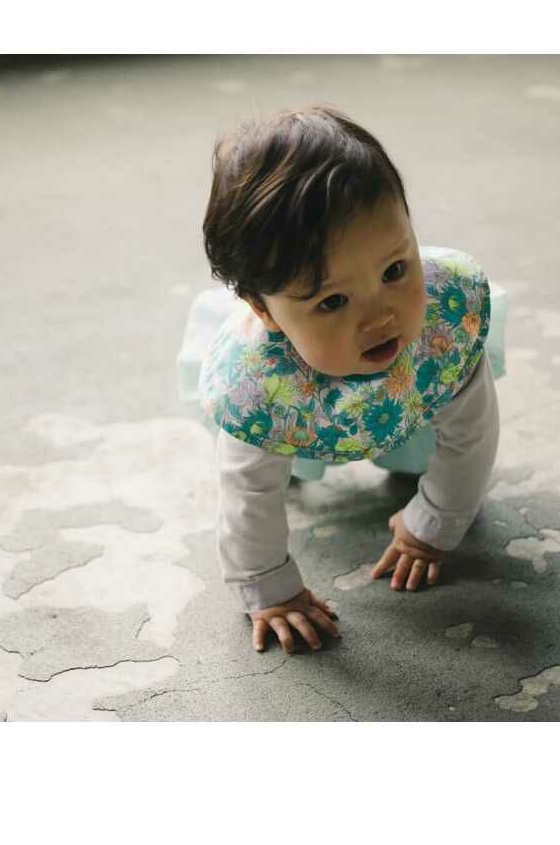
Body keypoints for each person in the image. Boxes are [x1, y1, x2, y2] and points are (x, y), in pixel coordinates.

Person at [183, 104, 503, 654]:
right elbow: (248, 494)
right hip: (300, 404)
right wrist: (268, 587)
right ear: (263, 310)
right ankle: (311, 446)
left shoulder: (437, 321)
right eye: (332, 301)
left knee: (418, 443)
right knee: (284, 464)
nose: (380, 318)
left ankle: (401, 444)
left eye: (395, 270)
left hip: (409, 390)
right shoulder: (261, 390)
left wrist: (434, 524)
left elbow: (471, 435)